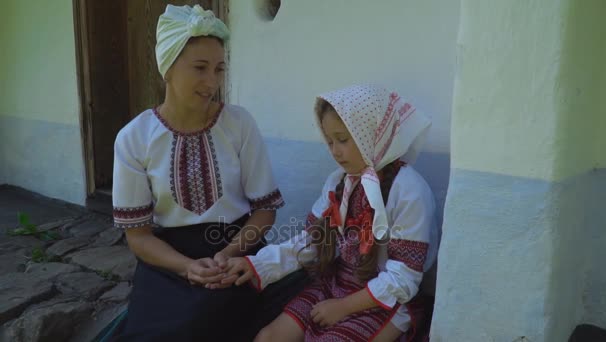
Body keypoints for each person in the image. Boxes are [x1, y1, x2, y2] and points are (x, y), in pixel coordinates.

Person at [109, 5, 306, 341]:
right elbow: (139, 237)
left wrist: (228, 254)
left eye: (219, 69)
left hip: (236, 247)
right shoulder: (134, 138)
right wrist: (187, 267)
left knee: (231, 318)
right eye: (200, 68)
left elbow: (264, 211)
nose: (212, 82)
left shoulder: (239, 124)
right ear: (167, 67)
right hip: (170, 259)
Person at [223, 84, 440, 341]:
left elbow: (403, 279)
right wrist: (256, 264)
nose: (335, 151)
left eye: (343, 140)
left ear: (372, 134)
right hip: (337, 284)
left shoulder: (408, 190)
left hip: (386, 301)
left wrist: (344, 307)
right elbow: (312, 241)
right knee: (268, 337)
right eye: (329, 141)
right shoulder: (339, 182)